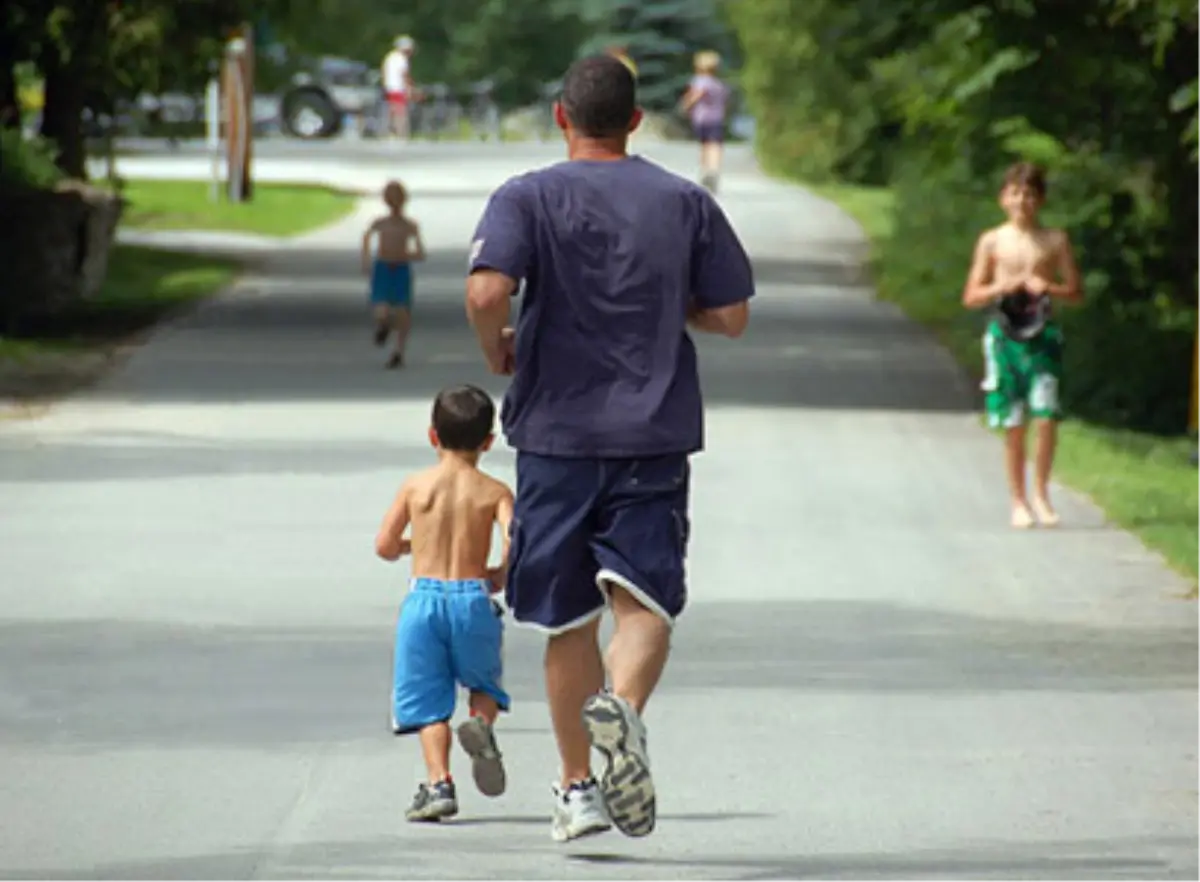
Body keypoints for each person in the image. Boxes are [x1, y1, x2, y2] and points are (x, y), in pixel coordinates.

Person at [463, 54, 755, 843]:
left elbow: (488, 291)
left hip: (555, 440)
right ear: (636, 120)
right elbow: (732, 315)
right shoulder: (684, 201)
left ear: (562, 117)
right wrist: (674, 306)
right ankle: (620, 710)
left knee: (566, 624)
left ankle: (576, 790)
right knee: (645, 605)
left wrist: (499, 350)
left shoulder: (526, 196)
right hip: (652, 437)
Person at [375, 384, 515, 822]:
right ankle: (482, 726)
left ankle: (439, 783)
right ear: (489, 442)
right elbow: (516, 544)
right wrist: (500, 573)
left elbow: (383, 545)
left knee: (428, 700)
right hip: (473, 597)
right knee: (483, 684)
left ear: (433, 436)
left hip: (424, 600)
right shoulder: (494, 491)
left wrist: (412, 546)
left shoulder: (416, 487)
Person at [961, 161, 1083, 528]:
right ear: (1003, 199)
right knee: (1013, 421)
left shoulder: (1055, 240)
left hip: (1042, 334)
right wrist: (1002, 286)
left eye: (1030, 194)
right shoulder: (992, 241)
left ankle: (1042, 495)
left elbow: (1076, 292)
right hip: (1005, 335)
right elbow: (971, 295)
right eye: (1015, 193)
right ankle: (1017, 500)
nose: (1022, 200)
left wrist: (1051, 288)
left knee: (1045, 417)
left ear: (1041, 200)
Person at [361, 180, 425, 369]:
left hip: (401, 269)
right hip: (383, 268)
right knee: (381, 309)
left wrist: (405, 255)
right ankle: (384, 326)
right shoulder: (380, 223)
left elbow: (420, 253)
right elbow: (367, 237)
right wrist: (366, 259)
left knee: (403, 312)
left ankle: (398, 352)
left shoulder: (409, 226)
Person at [678, 50, 730, 194]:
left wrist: (686, 105)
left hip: (701, 118)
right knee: (715, 145)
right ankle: (712, 170)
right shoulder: (719, 84)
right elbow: (725, 101)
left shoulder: (700, 81)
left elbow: (696, 95)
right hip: (717, 118)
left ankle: (706, 170)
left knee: (705, 145)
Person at [382, 36, 415, 142]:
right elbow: (404, 74)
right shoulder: (401, 59)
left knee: (392, 109)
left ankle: (391, 131)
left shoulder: (390, 57)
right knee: (401, 111)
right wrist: (409, 88)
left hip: (389, 87)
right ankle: (401, 133)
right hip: (398, 88)